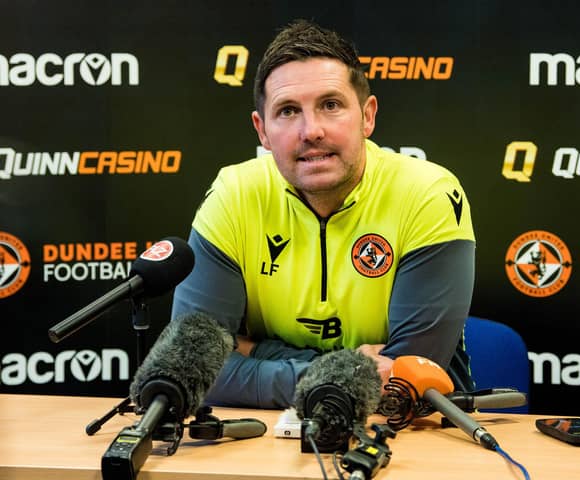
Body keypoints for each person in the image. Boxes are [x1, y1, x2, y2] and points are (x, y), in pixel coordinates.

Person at [172, 19, 476, 409]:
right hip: (264, 443)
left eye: (330, 105)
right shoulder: (234, 195)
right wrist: (345, 371)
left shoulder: (427, 193)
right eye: (287, 111)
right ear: (262, 130)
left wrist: (254, 352)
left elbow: (402, 383)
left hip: (408, 438)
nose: (310, 130)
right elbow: (194, 370)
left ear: (367, 116)